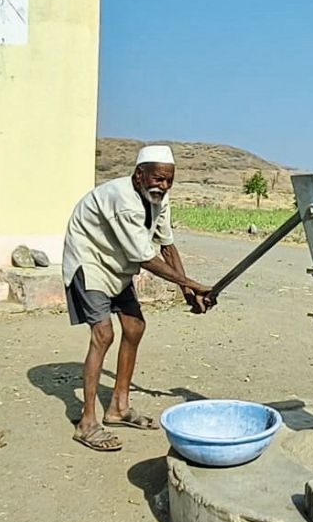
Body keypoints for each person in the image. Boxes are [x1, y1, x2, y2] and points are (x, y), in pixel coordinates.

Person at [61, 144, 215, 452]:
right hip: (89, 263)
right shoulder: (124, 200)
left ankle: (118, 406)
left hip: (117, 265)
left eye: (169, 180)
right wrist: (192, 283)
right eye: (158, 179)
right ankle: (87, 422)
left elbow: (166, 246)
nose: (164, 186)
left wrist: (187, 292)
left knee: (134, 327)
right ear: (139, 174)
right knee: (103, 335)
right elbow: (143, 256)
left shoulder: (159, 199)